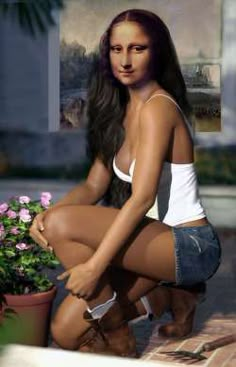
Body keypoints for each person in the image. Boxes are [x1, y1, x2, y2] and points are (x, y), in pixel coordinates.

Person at [29, 9, 221, 358]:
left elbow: (142, 196)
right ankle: (176, 295)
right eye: (117, 49)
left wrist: (94, 267)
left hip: (188, 245)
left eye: (138, 48)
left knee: (64, 225)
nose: (126, 60)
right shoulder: (118, 111)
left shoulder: (158, 108)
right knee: (66, 332)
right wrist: (44, 216)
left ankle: (117, 330)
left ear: (157, 52)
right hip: (149, 243)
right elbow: (92, 187)